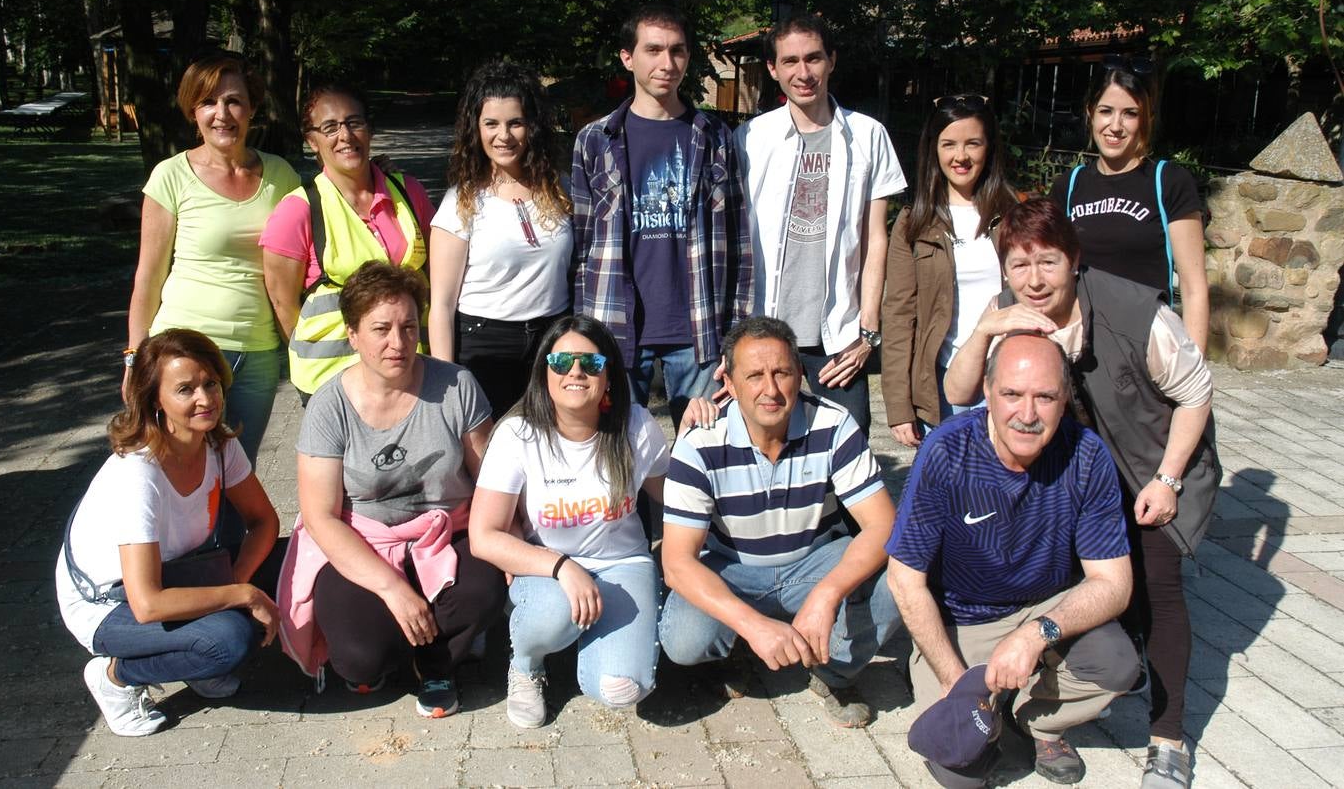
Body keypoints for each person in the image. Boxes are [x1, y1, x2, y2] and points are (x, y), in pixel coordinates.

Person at [944, 199, 1219, 789]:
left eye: (1048, 262)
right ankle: (1051, 720)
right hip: (1073, 479)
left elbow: (1197, 393)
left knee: (1157, 593)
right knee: (1073, 595)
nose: (1034, 280)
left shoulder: (1136, 311)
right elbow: (960, 391)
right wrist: (986, 329)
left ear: (1074, 261)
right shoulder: (1008, 310)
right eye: (1019, 266)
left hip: (1151, 468)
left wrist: (1168, 480)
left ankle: (1168, 739)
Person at [887, 332, 1139, 786]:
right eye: (1012, 394)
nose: (1027, 414)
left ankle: (1037, 720)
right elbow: (905, 579)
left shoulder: (1087, 455)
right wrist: (954, 681)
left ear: (1064, 399)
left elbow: (1114, 583)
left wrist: (1034, 634)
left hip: (1044, 606)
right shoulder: (947, 450)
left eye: (1045, 397)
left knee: (1117, 663)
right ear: (986, 391)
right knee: (960, 771)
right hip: (964, 620)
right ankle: (981, 698)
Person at [277, 261, 504, 718]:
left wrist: (511, 542)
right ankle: (400, 639)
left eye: (408, 327)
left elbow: (493, 480)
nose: (397, 343)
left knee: (485, 588)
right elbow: (320, 515)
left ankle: (436, 661)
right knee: (361, 660)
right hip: (363, 538)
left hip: (447, 531)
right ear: (353, 333)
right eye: (380, 328)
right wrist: (392, 590)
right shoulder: (329, 406)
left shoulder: (456, 385)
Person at [658, 316, 900, 728]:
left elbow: (883, 526)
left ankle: (832, 671)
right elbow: (677, 562)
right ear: (730, 384)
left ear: (799, 374)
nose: (770, 389)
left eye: (782, 372)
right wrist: (751, 624)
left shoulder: (834, 423)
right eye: (754, 376)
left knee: (899, 582)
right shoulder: (700, 440)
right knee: (683, 639)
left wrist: (827, 595)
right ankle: (739, 648)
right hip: (733, 570)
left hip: (813, 564)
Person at [56, 329, 281, 737]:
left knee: (293, 561)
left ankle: (197, 659)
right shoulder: (139, 474)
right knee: (226, 641)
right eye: (185, 389)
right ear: (154, 400)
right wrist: (239, 595)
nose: (205, 399)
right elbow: (147, 604)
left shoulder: (218, 443)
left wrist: (236, 579)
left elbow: (264, 520)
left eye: (210, 383)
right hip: (109, 601)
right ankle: (117, 676)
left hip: (177, 572)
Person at [470, 314, 669, 728]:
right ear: (545, 372)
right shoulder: (518, 435)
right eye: (561, 363)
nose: (575, 372)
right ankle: (527, 664)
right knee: (554, 614)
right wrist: (562, 567)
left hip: (623, 565)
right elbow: (483, 536)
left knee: (621, 688)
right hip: (546, 569)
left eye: (591, 364)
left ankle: (594, 640)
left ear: (608, 374)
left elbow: (674, 499)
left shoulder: (636, 427)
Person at [570, 3, 752, 428]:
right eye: (653, 50)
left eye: (677, 51)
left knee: (705, 458)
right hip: (614, 326)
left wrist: (738, 333)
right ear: (627, 57)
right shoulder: (595, 141)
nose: (666, 63)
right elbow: (579, 248)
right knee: (618, 457)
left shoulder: (714, 137)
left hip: (699, 332)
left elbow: (739, 242)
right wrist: (581, 331)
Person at [735, 13, 907, 434]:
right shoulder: (749, 139)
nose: (803, 72)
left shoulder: (868, 136)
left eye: (813, 58)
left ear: (832, 60)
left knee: (849, 465)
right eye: (789, 61)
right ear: (773, 69)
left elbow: (875, 239)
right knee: (766, 458)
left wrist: (868, 333)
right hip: (766, 334)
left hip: (839, 338)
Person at [125, 52, 300, 465]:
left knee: (238, 471)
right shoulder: (170, 175)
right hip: (184, 352)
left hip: (258, 352)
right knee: (180, 473)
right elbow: (148, 276)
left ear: (253, 108)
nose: (222, 114)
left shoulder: (281, 176)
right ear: (193, 111)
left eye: (234, 101)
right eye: (208, 102)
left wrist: (374, 173)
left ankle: (234, 535)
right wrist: (134, 358)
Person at [261, 84, 435, 401]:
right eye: (330, 127)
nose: (345, 135)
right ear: (311, 141)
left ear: (369, 130)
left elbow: (437, 273)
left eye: (354, 123)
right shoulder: (299, 209)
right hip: (333, 381)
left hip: (410, 367)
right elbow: (283, 304)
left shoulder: (409, 192)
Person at [429, 61, 574, 419]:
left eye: (515, 123)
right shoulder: (460, 202)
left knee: (548, 447)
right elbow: (442, 306)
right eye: (491, 124)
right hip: (483, 346)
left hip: (551, 340)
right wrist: (441, 382)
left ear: (532, 127)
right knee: (489, 458)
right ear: (475, 130)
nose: (503, 136)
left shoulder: (561, 190)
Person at [882, 93, 1016, 447]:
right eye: (949, 144)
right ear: (934, 149)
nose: (961, 156)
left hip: (1007, 379)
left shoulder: (1015, 215)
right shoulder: (914, 224)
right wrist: (899, 407)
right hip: (939, 388)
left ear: (989, 147)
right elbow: (898, 315)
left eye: (973, 143)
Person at [1049, 59, 1209, 352]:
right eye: (1106, 111)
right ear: (1090, 114)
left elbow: (1193, 287)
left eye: (1130, 114)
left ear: (1146, 118)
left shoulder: (1169, 182)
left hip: (1147, 351)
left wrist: (1193, 371)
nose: (1115, 126)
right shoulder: (1067, 187)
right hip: (1081, 353)